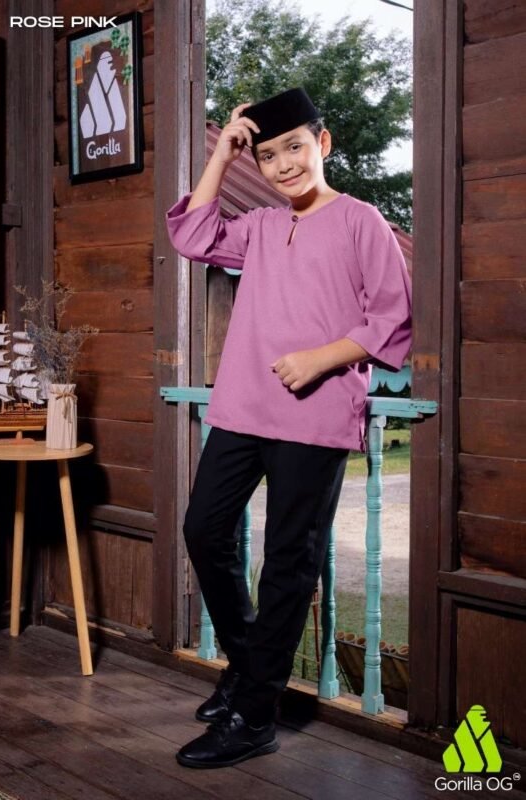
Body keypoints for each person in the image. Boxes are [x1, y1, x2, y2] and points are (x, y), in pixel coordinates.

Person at [166, 87, 412, 769]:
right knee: (204, 529)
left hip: (317, 412)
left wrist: (319, 359)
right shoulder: (260, 226)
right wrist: (223, 153)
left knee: (287, 560)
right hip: (242, 407)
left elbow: (392, 318)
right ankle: (250, 668)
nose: (283, 165)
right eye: (268, 155)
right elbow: (191, 235)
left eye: (295, 148)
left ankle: (253, 715)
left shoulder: (362, 221)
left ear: (322, 143)